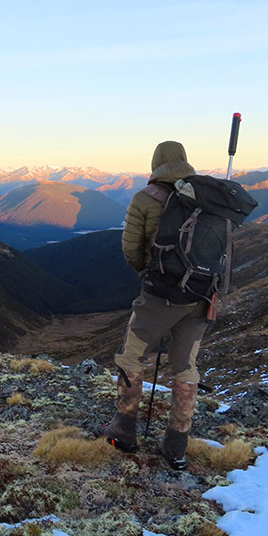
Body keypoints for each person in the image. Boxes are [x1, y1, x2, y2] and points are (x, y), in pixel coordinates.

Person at [103, 140, 206, 470]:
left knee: (132, 356)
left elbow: (131, 248)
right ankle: (177, 446)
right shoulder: (208, 197)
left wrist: (146, 274)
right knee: (186, 366)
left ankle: (124, 431)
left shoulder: (145, 198)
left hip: (160, 294)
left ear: (156, 162)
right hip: (201, 295)